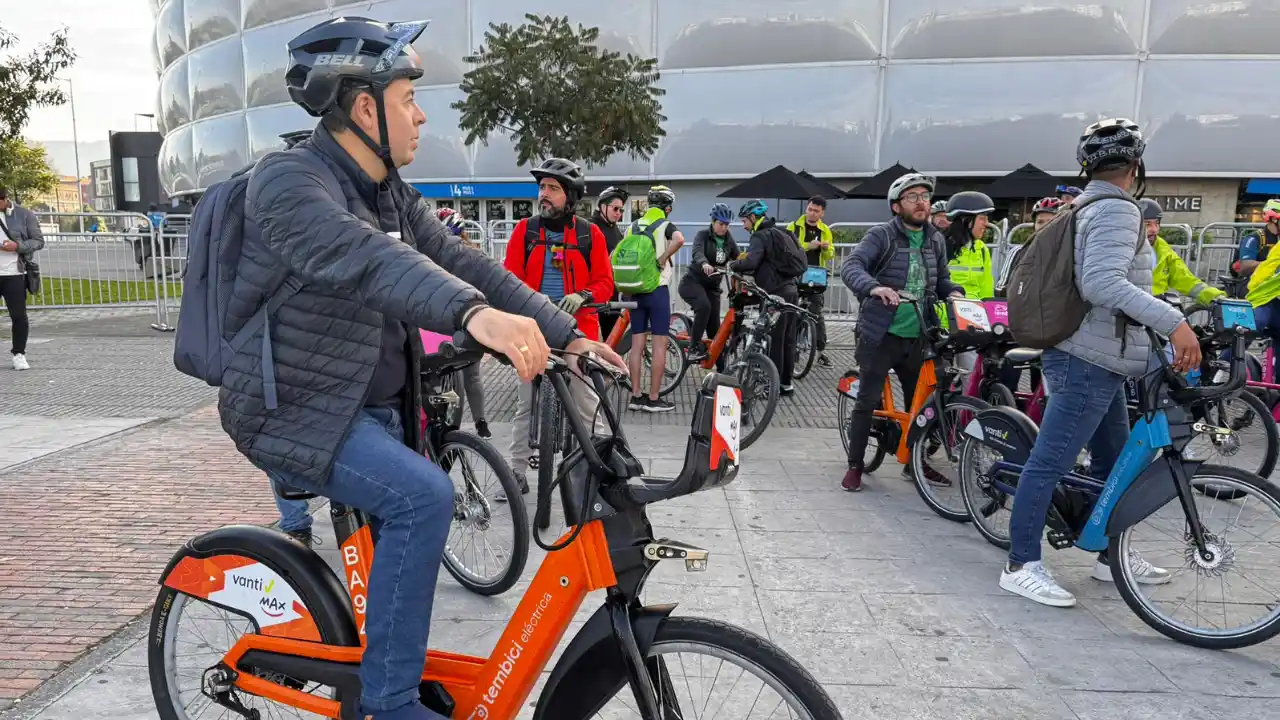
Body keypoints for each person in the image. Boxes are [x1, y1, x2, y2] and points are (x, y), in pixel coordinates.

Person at [231, 18, 625, 720]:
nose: (419, 114)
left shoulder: (390, 194)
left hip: (372, 406)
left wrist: (567, 335)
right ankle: (388, 704)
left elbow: (462, 260)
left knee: (398, 563)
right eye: (408, 97)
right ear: (363, 107)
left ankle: (376, 681)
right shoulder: (289, 183)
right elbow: (369, 258)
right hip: (296, 408)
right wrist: (476, 318)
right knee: (423, 496)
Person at [999, 118, 1199, 608]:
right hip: (1085, 358)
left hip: (1100, 358)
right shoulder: (1116, 210)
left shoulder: (1088, 206)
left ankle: (1111, 556)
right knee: (1050, 463)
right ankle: (1020, 563)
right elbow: (1102, 285)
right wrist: (1174, 321)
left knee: (1114, 464)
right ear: (1135, 166)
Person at [839, 174, 963, 492]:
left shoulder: (935, 239)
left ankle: (914, 463)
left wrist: (955, 292)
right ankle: (855, 465)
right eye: (912, 197)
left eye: (925, 196)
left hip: (920, 333)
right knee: (867, 399)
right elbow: (852, 266)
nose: (921, 201)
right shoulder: (881, 236)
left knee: (921, 403)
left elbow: (941, 280)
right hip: (881, 333)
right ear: (896, 207)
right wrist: (875, 287)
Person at [503, 158, 617, 480]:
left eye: (553, 188)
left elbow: (606, 283)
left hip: (578, 330)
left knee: (586, 400)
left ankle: (600, 467)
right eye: (542, 187)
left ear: (570, 196)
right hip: (532, 327)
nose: (545, 194)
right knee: (525, 402)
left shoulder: (589, 235)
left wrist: (583, 295)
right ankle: (516, 472)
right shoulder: (525, 232)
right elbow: (508, 280)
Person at [730, 199, 803, 396]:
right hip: (791, 291)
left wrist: (733, 265)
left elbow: (751, 262)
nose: (744, 225)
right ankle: (786, 384)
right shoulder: (783, 233)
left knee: (774, 339)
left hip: (775, 294)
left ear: (753, 218)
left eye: (745, 220)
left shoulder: (760, 236)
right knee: (788, 339)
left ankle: (771, 386)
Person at [623, 186, 684, 413]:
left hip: (636, 289)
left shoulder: (633, 226)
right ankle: (654, 398)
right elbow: (679, 239)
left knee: (637, 345)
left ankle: (635, 395)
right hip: (657, 291)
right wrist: (663, 258)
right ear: (667, 208)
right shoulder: (666, 225)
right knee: (660, 344)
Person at [437, 207, 491, 438]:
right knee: (449, 376)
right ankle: (450, 422)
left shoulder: (471, 255)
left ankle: (480, 421)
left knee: (471, 374)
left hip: (466, 322)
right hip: (441, 323)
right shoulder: (430, 255)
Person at [678, 202, 740, 364]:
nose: (724, 228)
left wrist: (746, 265)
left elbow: (737, 257)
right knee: (704, 306)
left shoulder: (728, 239)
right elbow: (697, 252)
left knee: (715, 329)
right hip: (692, 282)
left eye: (726, 224)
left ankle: (721, 369)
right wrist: (704, 263)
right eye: (721, 224)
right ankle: (693, 347)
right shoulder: (702, 235)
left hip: (712, 286)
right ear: (713, 222)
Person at [941, 191, 996, 372]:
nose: (986, 224)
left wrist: (992, 319)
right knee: (941, 375)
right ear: (966, 219)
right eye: (982, 218)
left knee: (972, 374)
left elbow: (986, 288)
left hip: (972, 321)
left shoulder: (981, 249)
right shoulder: (940, 245)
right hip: (943, 321)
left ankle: (968, 402)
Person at [1143, 198, 1224, 307]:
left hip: (1156, 306)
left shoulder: (1162, 248)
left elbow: (1184, 278)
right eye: (1147, 224)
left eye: (1157, 224)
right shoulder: (1122, 248)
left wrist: (1215, 297)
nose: (1154, 229)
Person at [786, 195, 835, 367]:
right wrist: (808, 246)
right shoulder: (793, 227)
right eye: (810, 209)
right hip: (795, 274)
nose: (812, 213)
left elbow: (830, 255)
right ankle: (791, 348)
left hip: (816, 275)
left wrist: (827, 249)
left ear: (822, 213)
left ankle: (821, 351)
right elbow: (788, 249)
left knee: (816, 313)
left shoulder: (825, 230)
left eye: (816, 211)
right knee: (791, 311)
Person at [0, 187, 44, 371]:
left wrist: (17, 246)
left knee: (18, 316)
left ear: (4, 199)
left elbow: (38, 241)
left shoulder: (24, 215)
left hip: (14, 273)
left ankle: (19, 354)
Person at [591, 186, 629, 340]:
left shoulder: (614, 229)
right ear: (602, 206)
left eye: (621, 210)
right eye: (615, 209)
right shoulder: (590, 227)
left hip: (611, 289)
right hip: (593, 289)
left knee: (612, 337)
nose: (619, 213)